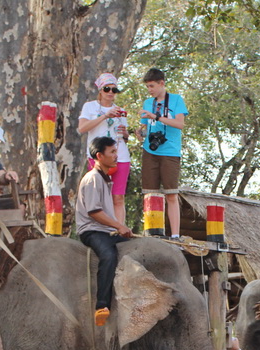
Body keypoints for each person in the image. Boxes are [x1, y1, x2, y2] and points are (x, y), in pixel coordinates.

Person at [75, 137, 133, 326]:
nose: (116, 156)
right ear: (99, 156)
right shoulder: (92, 178)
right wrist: (119, 226)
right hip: (92, 230)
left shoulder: (104, 178)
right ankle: (102, 304)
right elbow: (94, 212)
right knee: (108, 255)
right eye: (112, 152)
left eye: (116, 152)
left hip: (105, 230)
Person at [136, 68, 188, 239]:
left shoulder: (176, 100)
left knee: (171, 194)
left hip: (170, 152)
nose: (150, 90)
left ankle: (175, 234)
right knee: (150, 194)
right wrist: (140, 133)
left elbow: (180, 124)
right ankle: (151, 232)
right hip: (150, 151)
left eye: (152, 86)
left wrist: (157, 117)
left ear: (162, 83)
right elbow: (145, 127)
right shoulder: (147, 103)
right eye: (148, 87)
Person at [78, 73, 131, 226]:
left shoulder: (120, 111)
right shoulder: (90, 107)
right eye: (107, 89)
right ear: (100, 90)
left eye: (114, 90)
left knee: (118, 197)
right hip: (99, 156)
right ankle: (102, 226)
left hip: (120, 156)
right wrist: (105, 116)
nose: (110, 93)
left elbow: (124, 136)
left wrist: (125, 134)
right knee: (100, 194)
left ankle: (119, 227)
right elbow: (82, 128)